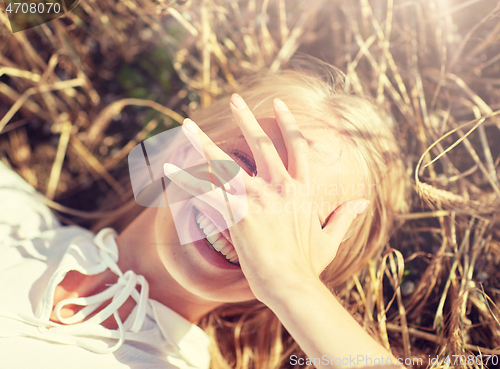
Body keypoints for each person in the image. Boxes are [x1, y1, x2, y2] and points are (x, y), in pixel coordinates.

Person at [0, 62, 407, 368]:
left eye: (296, 219)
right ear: (183, 149)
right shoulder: (12, 214)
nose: (249, 213)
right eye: (244, 165)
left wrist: (290, 284)